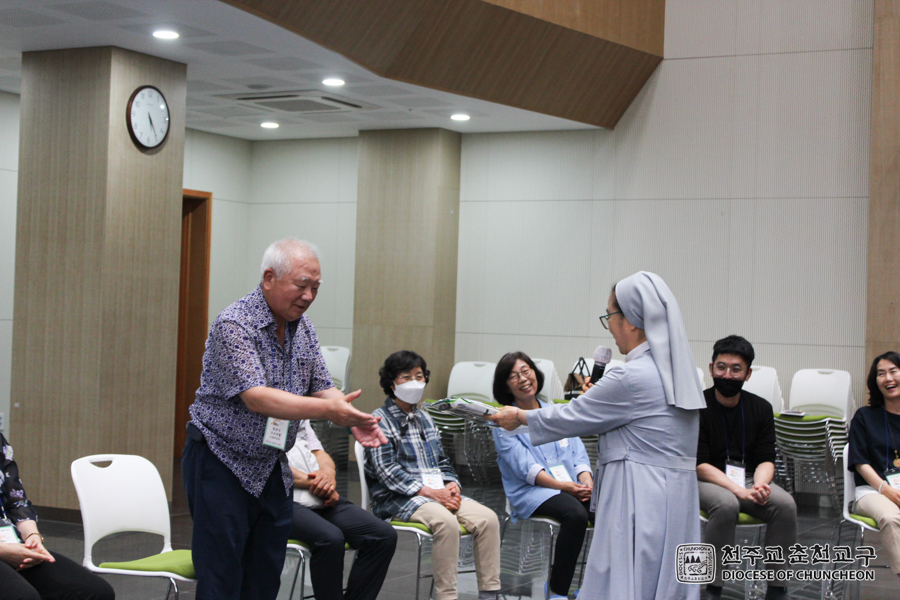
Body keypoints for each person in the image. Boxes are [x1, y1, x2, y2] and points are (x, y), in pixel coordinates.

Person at [182, 238, 387, 600]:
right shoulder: (235, 323)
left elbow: (322, 385)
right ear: (269, 278)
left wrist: (351, 415)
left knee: (264, 576)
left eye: (316, 287)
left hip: (271, 465)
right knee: (221, 577)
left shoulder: (303, 327)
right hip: (220, 460)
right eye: (301, 285)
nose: (308, 296)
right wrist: (329, 411)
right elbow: (256, 397)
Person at [489, 271, 706, 600]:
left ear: (631, 320)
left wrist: (518, 416)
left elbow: (571, 416)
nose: (610, 327)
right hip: (677, 495)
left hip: (638, 492)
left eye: (610, 316)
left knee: (631, 578)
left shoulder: (630, 376)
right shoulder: (678, 371)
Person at [365, 350, 501, 600]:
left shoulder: (425, 418)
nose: (415, 382)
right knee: (446, 523)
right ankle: (446, 596)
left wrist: (451, 484)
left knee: (488, 519)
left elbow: (442, 461)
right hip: (399, 498)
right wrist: (429, 492)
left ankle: (489, 593)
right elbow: (387, 471)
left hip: (437, 493)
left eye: (419, 376)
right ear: (392, 383)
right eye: (406, 377)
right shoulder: (379, 420)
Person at [697, 336, 796, 600]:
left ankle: (777, 588)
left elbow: (766, 458)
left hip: (749, 478)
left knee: (785, 504)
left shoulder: (761, 408)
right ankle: (713, 587)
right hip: (705, 480)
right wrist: (739, 491)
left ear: (748, 374)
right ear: (711, 369)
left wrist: (761, 486)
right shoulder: (698, 406)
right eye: (721, 367)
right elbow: (700, 464)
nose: (727, 375)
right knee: (726, 504)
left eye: (736, 369)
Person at [491, 351, 593, 600]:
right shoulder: (503, 421)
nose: (523, 379)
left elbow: (579, 455)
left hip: (569, 486)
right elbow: (525, 468)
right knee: (576, 515)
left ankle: (594, 585)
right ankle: (557, 590)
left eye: (526, 371)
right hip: (532, 491)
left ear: (535, 373)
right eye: (514, 376)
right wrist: (563, 486)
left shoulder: (555, 412)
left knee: (606, 507)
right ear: (505, 386)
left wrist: (586, 481)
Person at [286, 420, 397, 600]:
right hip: (283, 499)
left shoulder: (299, 417)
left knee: (383, 535)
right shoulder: (259, 415)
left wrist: (328, 475)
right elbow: (269, 465)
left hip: (318, 495)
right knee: (330, 539)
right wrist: (319, 484)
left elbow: (319, 452)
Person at [0, 433, 115, 600]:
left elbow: (17, 501)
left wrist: (32, 537)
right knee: (23, 597)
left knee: (96, 592)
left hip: (12, 542)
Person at [847, 350, 900, 578]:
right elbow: (860, 462)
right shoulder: (864, 417)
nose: (888, 378)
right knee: (891, 517)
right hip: (872, 491)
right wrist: (885, 489)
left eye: (893, 371)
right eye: (881, 373)